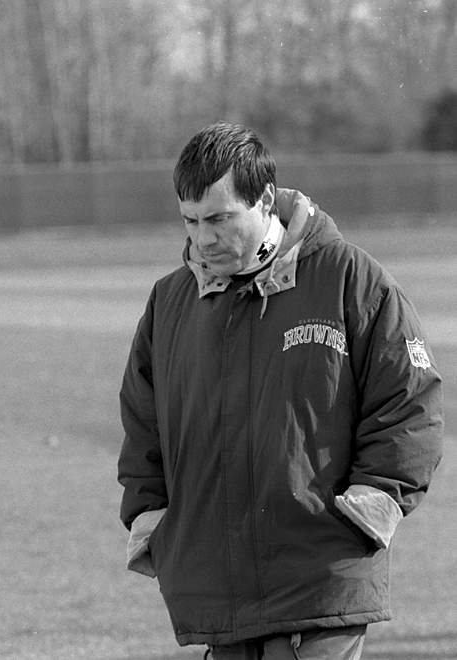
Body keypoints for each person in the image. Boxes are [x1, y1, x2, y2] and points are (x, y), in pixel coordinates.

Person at [117, 122, 442, 659]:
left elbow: (410, 401)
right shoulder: (168, 303)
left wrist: (373, 502)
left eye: (220, 218)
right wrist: (150, 516)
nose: (203, 238)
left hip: (322, 575)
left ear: (266, 200)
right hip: (214, 587)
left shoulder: (351, 280)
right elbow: (141, 421)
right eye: (191, 221)